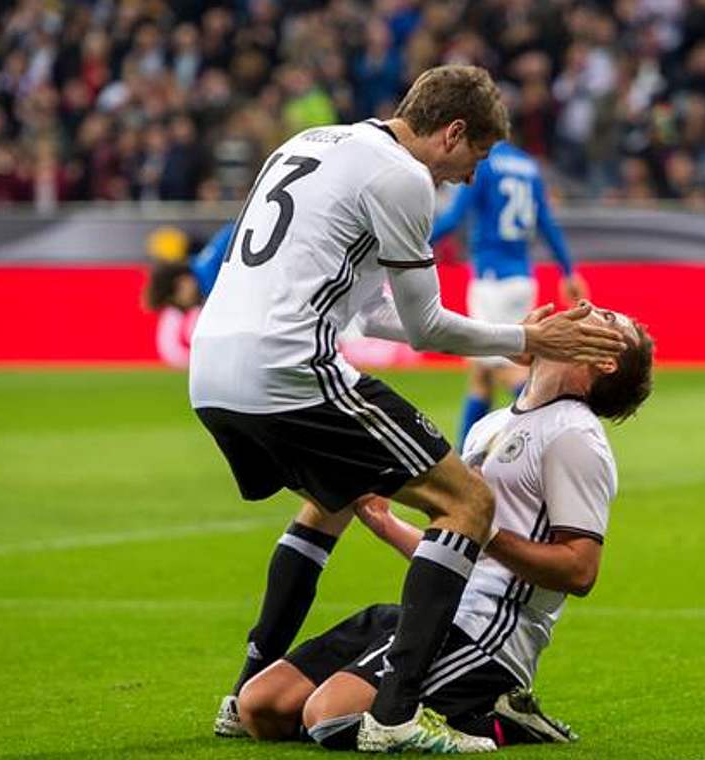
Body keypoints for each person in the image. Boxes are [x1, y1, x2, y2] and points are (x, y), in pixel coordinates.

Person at [190, 65, 624, 752]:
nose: (473, 176)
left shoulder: (313, 142)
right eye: (475, 156)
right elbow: (427, 330)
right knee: (469, 502)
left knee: (330, 498)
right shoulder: (403, 178)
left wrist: (508, 339)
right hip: (290, 366)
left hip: (211, 369)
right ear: (452, 133)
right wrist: (526, 338)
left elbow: (371, 312)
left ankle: (242, 691)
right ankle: (394, 719)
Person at [234, 307, 654, 751]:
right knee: (261, 706)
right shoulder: (491, 424)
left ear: (605, 360)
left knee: (327, 714)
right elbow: (453, 553)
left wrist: (484, 532)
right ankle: (448, 711)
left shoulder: (574, 435)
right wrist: (388, 525)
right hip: (430, 617)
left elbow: (579, 571)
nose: (582, 310)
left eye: (606, 318)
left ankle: (496, 719)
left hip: (487, 634)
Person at [429, 140, 587, 447]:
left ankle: (559, 432)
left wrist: (412, 241)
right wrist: (568, 271)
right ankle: (466, 458)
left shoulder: (484, 163)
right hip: (521, 279)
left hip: (492, 279)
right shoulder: (528, 166)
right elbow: (547, 224)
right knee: (481, 373)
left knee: (504, 368)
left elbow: (453, 217)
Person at [142, 221, 234, 313]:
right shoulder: (205, 262)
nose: (184, 306)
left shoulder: (213, 286)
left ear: (181, 283)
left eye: (176, 303)